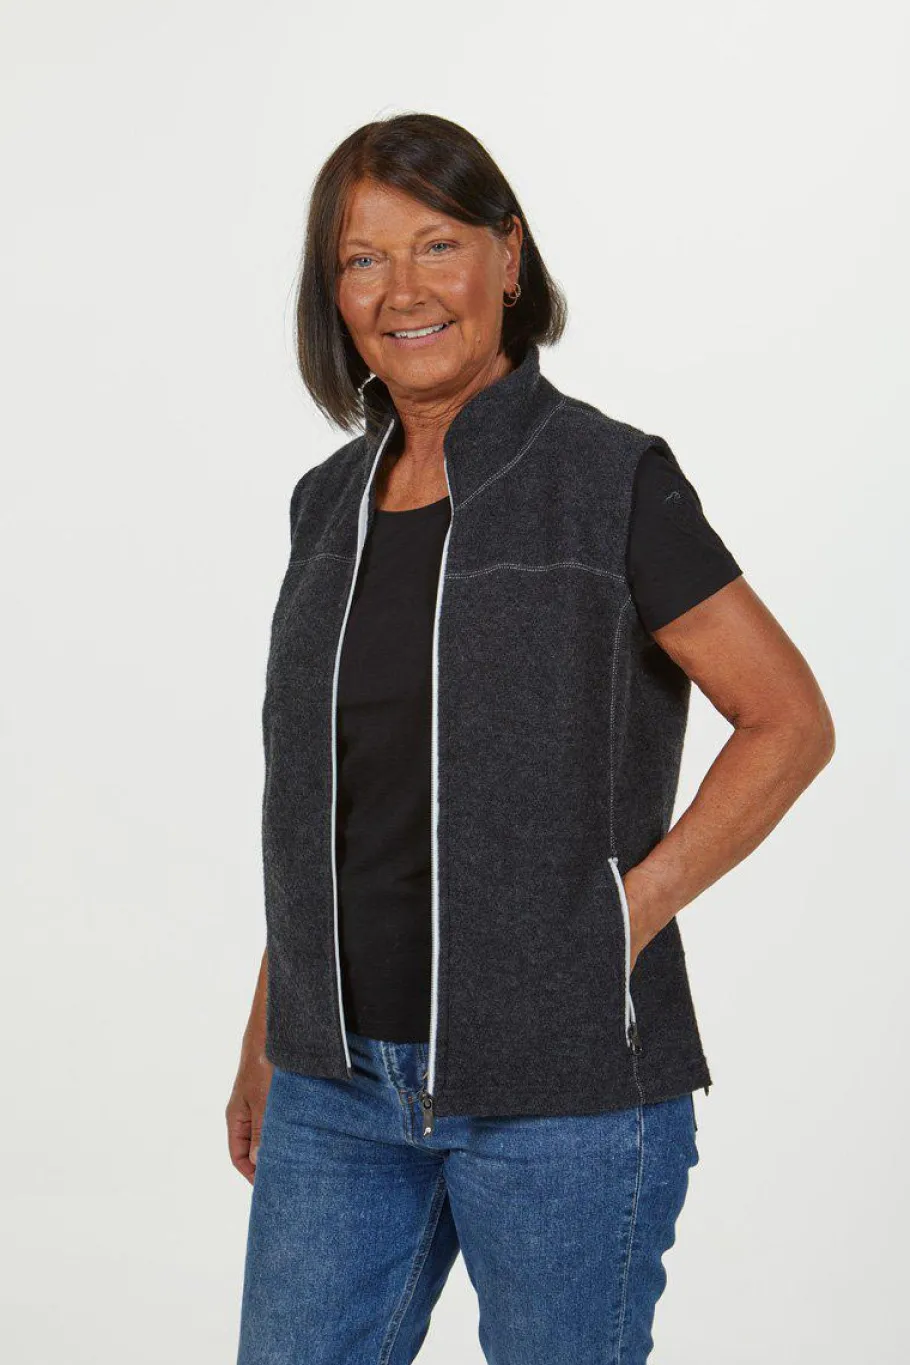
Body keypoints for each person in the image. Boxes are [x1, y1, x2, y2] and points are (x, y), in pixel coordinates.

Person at [227, 112, 835, 1364]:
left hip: (564, 1096)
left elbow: (787, 721)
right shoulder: (325, 506)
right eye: (360, 259)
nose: (400, 290)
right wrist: (270, 1030)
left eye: (435, 245)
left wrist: (623, 914)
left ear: (508, 258)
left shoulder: (610, 479)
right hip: (334, 1095)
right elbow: (332, 799)